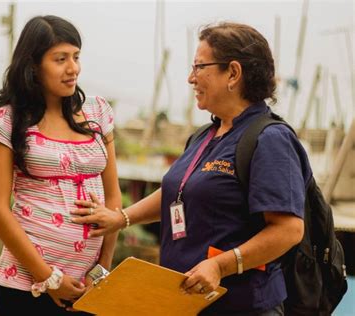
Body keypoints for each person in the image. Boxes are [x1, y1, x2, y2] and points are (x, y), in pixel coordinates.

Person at [72, 22, 312, 315]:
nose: (190, 78)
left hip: (240, 306)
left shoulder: (270, 139)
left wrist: (220, 265)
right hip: (183, 304)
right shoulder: (204, 136)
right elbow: (176, 192)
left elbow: (289, 229)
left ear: (233, 73)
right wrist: (120, 218)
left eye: (199, 67)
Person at [0, 15, 121, 315]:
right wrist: (48, 278)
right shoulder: (8, 121)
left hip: (88, 287)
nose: (73, 68)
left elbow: (113, 197)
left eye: (76, 56)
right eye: (60, 59)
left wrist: (102, 268)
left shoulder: (97, 111)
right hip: (25, 287)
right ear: (33, 65)